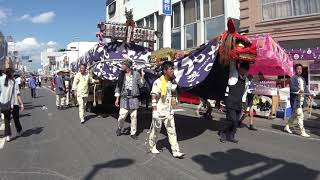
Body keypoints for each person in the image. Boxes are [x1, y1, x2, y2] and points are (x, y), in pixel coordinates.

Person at [147, 61, 185, 159]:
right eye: (170, 69)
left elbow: (174, 94)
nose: (172, 71)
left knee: (172, 131)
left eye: (173, 68)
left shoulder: (172, 82)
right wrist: (154, 110)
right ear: (164, 71)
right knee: (156, 131)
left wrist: (175, 100)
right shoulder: (158, 82)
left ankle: (176, 151)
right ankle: (152, 146)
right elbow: (154, 96)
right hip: (159, 110)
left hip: (169, 111)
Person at [219, 62, 250, 143]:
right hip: (230, 100)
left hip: (239, 102)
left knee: (236, 121)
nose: (243, 71)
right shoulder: (234, 74)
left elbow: (244, 94)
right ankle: (223, 133)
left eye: (245, 70)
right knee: (232, 120)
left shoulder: (246, 80)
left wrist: (245, 107)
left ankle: (231, 135)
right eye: (242, 69)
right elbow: (233, 63)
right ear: (239, 68)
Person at [115, 59, 145, 140]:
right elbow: (118, 87)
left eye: (123, 65)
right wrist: (117, 99)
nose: (121, 66)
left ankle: (133, 133)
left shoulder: (136, 74)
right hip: (124, 99)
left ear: (127, 66)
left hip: (134, 99)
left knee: (133, 117)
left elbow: (141, 85)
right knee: (121, 116)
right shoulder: (121, 75)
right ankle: (119, 128)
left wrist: (142, 75)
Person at [284, 64, 311, 137]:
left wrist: (309, 95)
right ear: (295, 70)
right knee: (300, 115)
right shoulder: (293, 78)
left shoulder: (303, 79)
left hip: (302, 99)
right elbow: (292, 88)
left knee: (294, 115)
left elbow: (305, 89)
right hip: (296, 100)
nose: (300, 70)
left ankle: (287, 126)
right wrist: (299, 90)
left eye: (301, 69)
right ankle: (302, 131)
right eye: (298, 69)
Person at [0, 68, 24, 142]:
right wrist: (22, 104)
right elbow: (18, 94)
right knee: (16, 118)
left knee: (7, 120)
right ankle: (19, 131)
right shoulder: (14, 81)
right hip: (14, 103)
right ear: (12, 73)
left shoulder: (0, 79)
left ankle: (8, 136)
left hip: (4, 103)